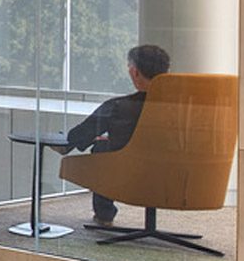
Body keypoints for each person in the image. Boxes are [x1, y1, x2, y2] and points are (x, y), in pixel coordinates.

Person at [65, 43, 171, 227]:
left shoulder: (118, 107)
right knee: (107, 145)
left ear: (134, 72)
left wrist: (105, 143)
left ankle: (104, 215)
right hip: (172, 177)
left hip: (130, 177)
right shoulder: (182, 108)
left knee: (101, 148)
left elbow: (78, 135)